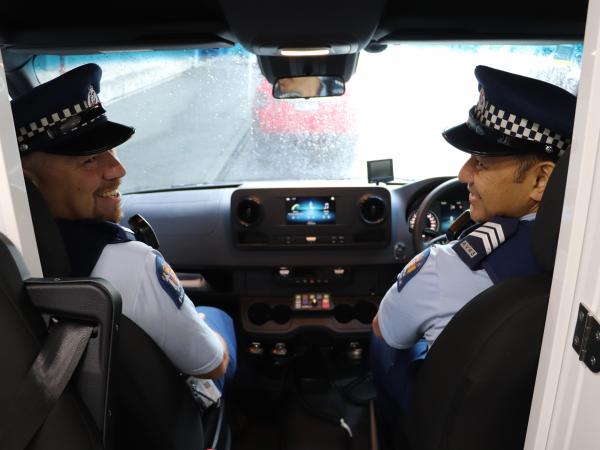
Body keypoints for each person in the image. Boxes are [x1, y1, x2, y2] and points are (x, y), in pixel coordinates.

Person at [12, 63, 236, 392]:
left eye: (110, 151)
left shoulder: (12, 253)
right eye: (89, 160)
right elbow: (210, 365)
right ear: (30, 183)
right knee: (218, 318)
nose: (118, 169)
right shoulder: (128, 262)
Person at [370, 65, 577, 418]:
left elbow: (385, 330)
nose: (464, 174)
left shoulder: (445, 267)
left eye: (481, 162)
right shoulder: (584, 260)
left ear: (542, 180)